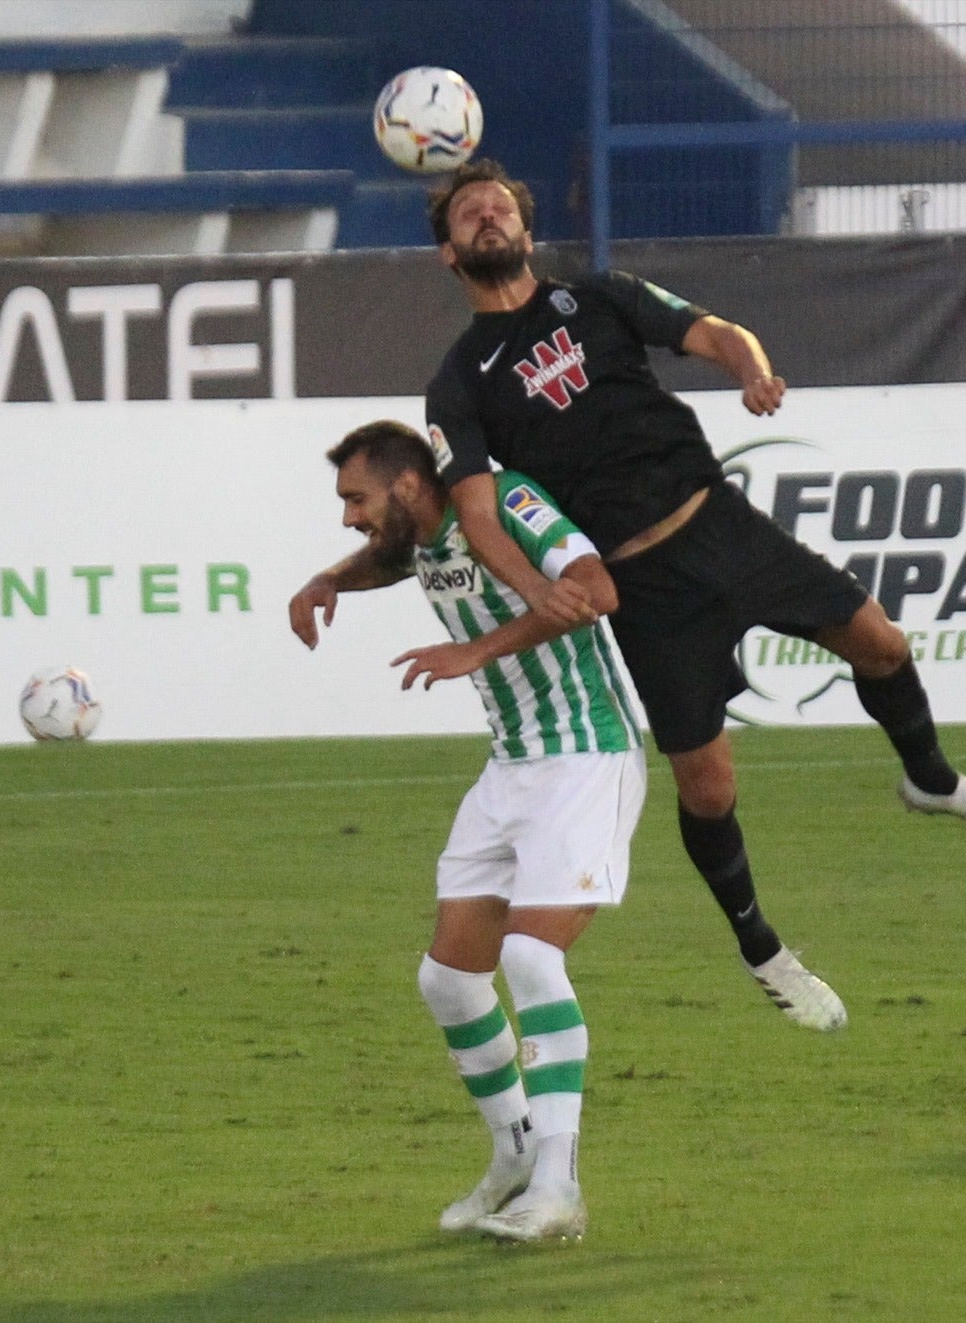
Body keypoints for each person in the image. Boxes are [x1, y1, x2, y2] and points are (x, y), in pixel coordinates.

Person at [413, 157, 966, 1033]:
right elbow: (477, 513)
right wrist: (536, 591)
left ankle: (933, 779)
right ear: (448, 253)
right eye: (469, 215)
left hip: (721, 525)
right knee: (707, 790)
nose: (487, 219)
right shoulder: (460, 380)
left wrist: (751, 369)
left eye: (499, 208)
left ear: (526, 229)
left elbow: (715, 332)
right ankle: (763, 952)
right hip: (640, 585)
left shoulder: (599, 296)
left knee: (882, 643)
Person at [289, 419, 647, 1242]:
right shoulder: (421, 535)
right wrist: (329, 578)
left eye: (356, 498)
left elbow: (596, 591)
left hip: (587, 753)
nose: (348, 516)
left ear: (409, 484)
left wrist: (476, 651)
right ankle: (515, 1151)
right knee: (449, 980)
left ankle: (559, 1187)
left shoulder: (510, 501)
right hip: (512, 766)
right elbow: (392, 557)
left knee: (530, 955)